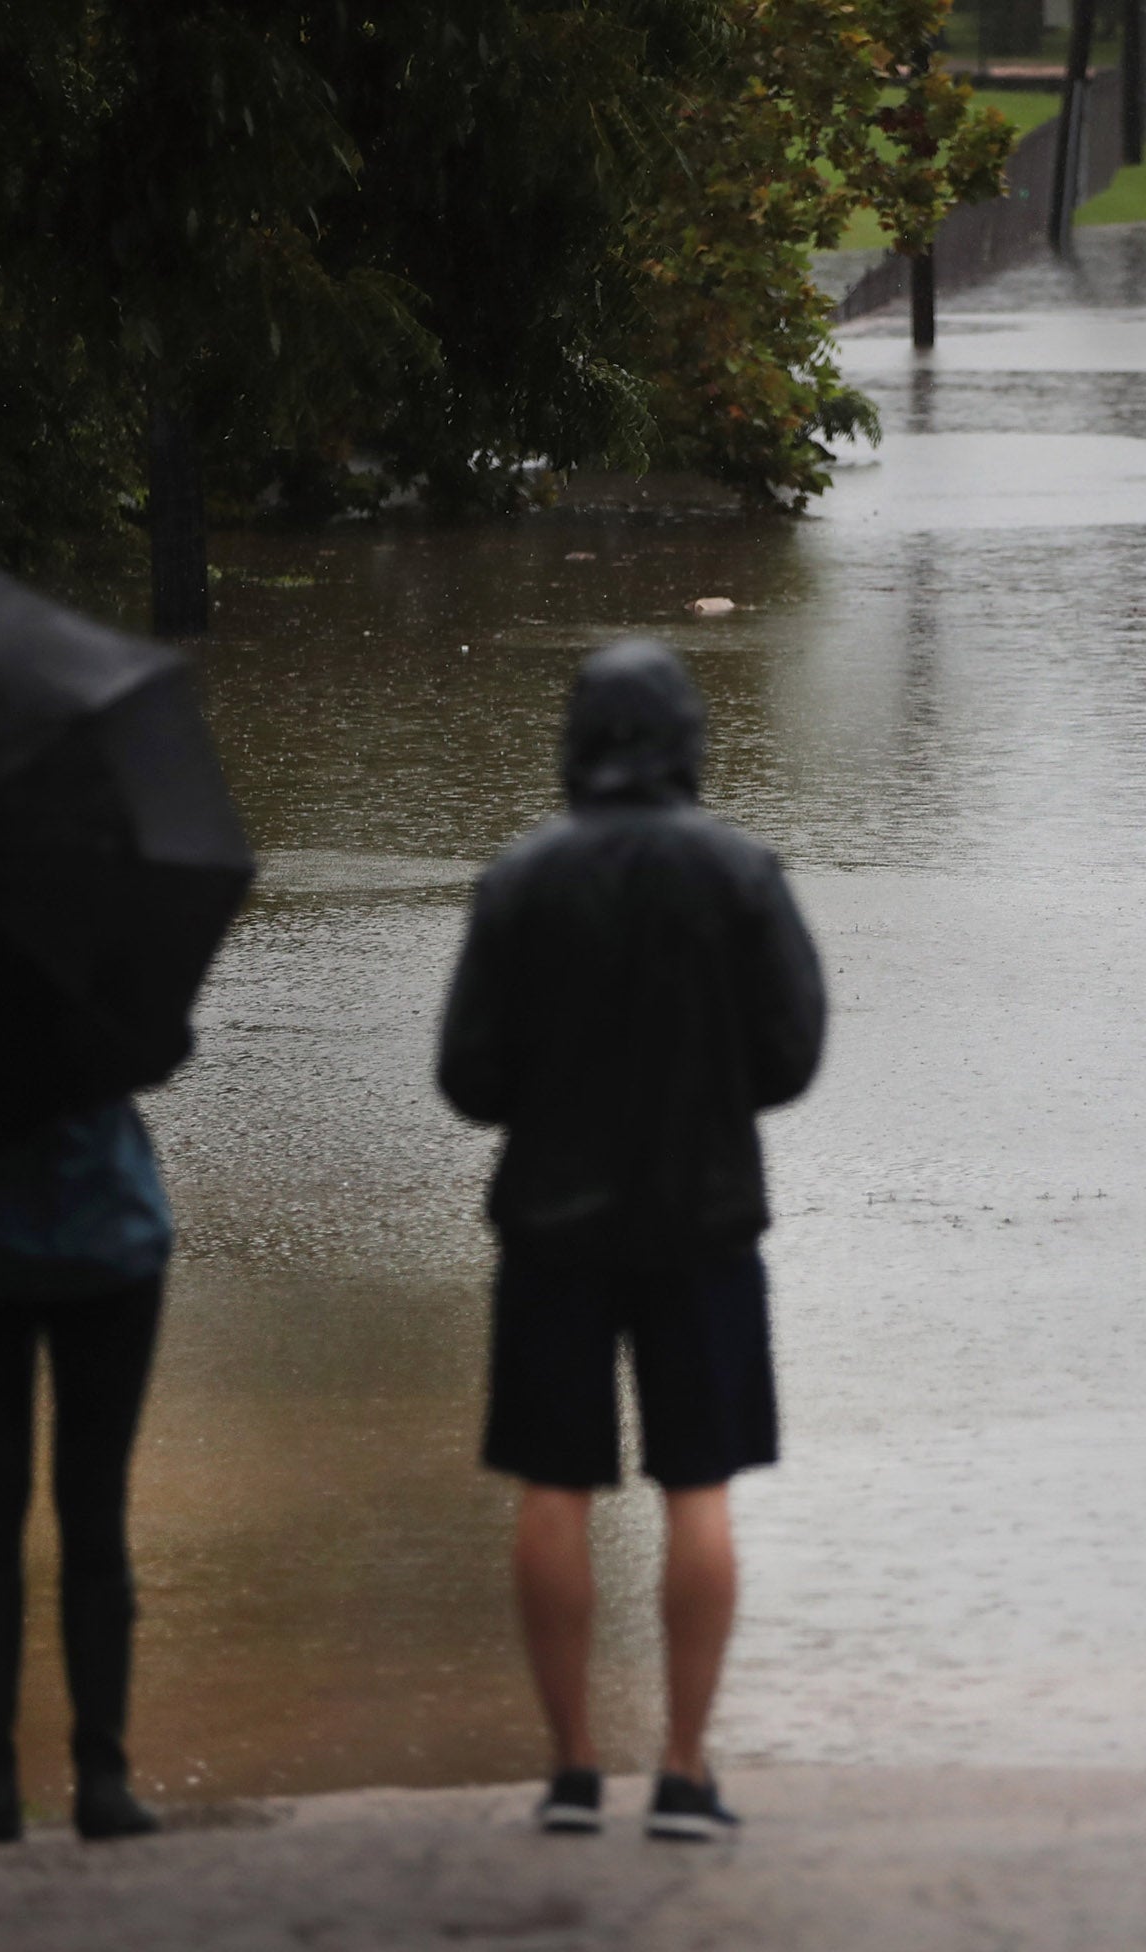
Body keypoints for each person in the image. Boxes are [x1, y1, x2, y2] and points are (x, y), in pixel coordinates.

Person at [438, 639, 826, 1843]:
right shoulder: (743, 872)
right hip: (704, 1220)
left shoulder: (518, 880)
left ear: (577, 742)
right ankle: (684, 1769)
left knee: (554, 1486)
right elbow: (792, 1055)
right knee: (696, 1486)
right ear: (687, 742)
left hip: (552, 1224)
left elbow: (468, 1078)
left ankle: (568, 1773)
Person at [0, 1102, 172, 1845]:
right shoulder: (100, 990)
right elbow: (164, 1043)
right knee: (95, 1506)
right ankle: (102, 1780)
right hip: (106, 1238)